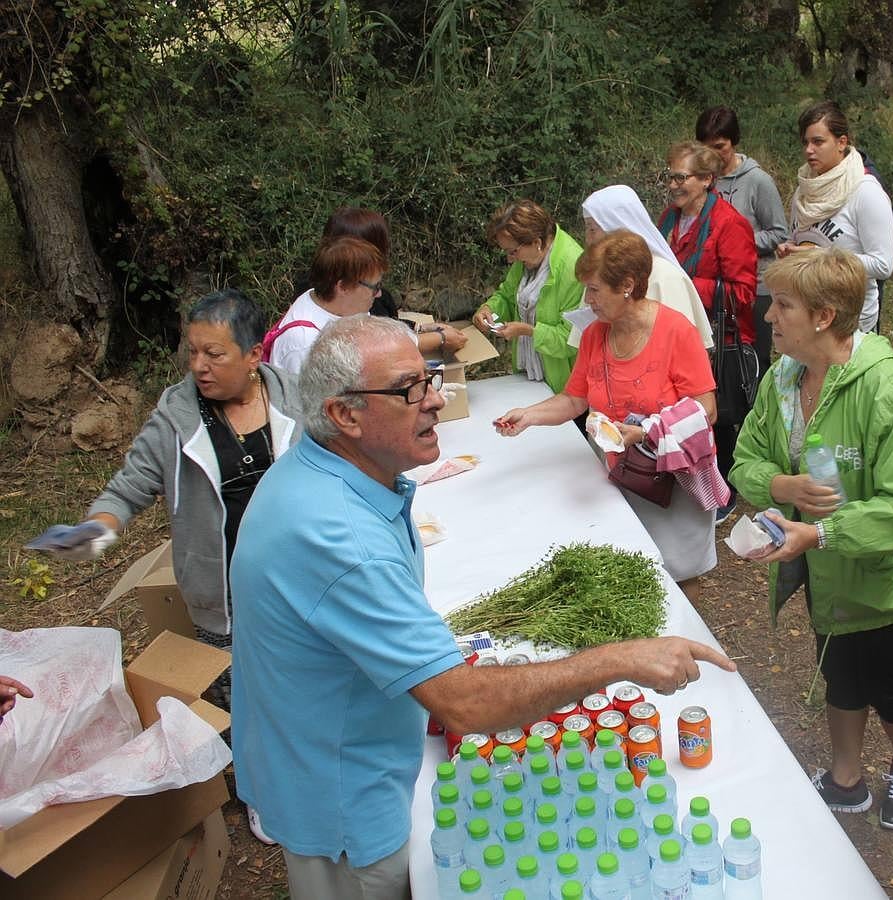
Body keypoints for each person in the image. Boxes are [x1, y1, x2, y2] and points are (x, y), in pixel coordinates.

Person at [230, 315, 733, 900]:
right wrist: (619, 659)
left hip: (329, 751)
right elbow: (464, 704)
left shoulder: (325, 467)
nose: (436, 400)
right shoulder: (341, 539)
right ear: (344, 414)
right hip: (341, 794)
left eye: (431, 378)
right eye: (408, 389)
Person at [729, 247, 893, 832]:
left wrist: (821, 532)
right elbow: (744, 458)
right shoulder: (782, 378)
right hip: (821, 570)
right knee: (837, 671)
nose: (768, 316)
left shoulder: (885, 388)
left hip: (883, 574)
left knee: (881, 679)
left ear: (824, 317)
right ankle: (845, 779)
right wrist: (780, 483)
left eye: (783, 305)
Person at [64, 290, 303, 674]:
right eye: (193, 352)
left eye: (214, 354)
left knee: (301, 689)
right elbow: (129, 487)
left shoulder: (299, 400)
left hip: (299, 586)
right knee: (234, 705)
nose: (199, 366)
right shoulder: (176, 416)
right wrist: (96, 530)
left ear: (254, 355)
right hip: (221, 599)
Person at [495, 231, 720, 593]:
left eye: (595, 289)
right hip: (622, 475)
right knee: (632, 578)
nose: (588, 300)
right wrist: (528, 415)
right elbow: (574, 399)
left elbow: (705, 409)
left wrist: (647, 432)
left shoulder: (675, 331)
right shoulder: (594, 335)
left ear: (628, 285)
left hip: (673, 479)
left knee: (678, 578)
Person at [657, 140, 759, 521]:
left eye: (680, 177)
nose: (673, 185)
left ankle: (724, 492)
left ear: (706, 180)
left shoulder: (730, 225)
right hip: (679, 334)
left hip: (720, 340)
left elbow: (744, 293)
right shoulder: (669, 218)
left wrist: (684, 283)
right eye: (670, 177)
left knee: (717, 418)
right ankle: (692, 483)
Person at [777, 101, 893, 335]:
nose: (809, 150)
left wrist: (822, 257)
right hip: (806, 316)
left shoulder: (866, 192)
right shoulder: (804, 190)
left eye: (818, 142)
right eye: (805, 142)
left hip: (851, 322)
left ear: (842, 142)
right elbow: (804, 241)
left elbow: (883, 265)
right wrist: (790, 250)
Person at [696, 106, 790, 372]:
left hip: (755, 287)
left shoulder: (757, 181)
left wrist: (735, 242)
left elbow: (778, 233)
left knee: (753, 359)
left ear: (733, 142)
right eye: (705, 147)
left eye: (719, 146)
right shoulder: (701, 181)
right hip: (712, 288)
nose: (712, 154)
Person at [312, 206, 467, 358]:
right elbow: (377, 349)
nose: (378, 294)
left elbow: (378, 326)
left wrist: (419, 327)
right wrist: (440, 339)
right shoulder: (318, 326)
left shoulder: (350, 290)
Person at [576, 184, 714, 349]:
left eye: (592, 229)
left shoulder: (666, 277)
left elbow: (684, 349)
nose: (588, 239)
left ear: (617, 226)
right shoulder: (598, 272)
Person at [471, 199, 584, 393]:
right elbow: (507, 295)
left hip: (564, 387)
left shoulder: (574, 269)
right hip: (528, 373)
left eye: (513, 252)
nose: (510, 259)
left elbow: (571, 341)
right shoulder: (527, 256)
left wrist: (529, 331)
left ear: (537, 242)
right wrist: (489, 310)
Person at [269, 235, 387, 374]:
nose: (379, 294)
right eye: (375, 286)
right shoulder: (305, 345)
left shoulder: (340, 306)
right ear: (343, 287)